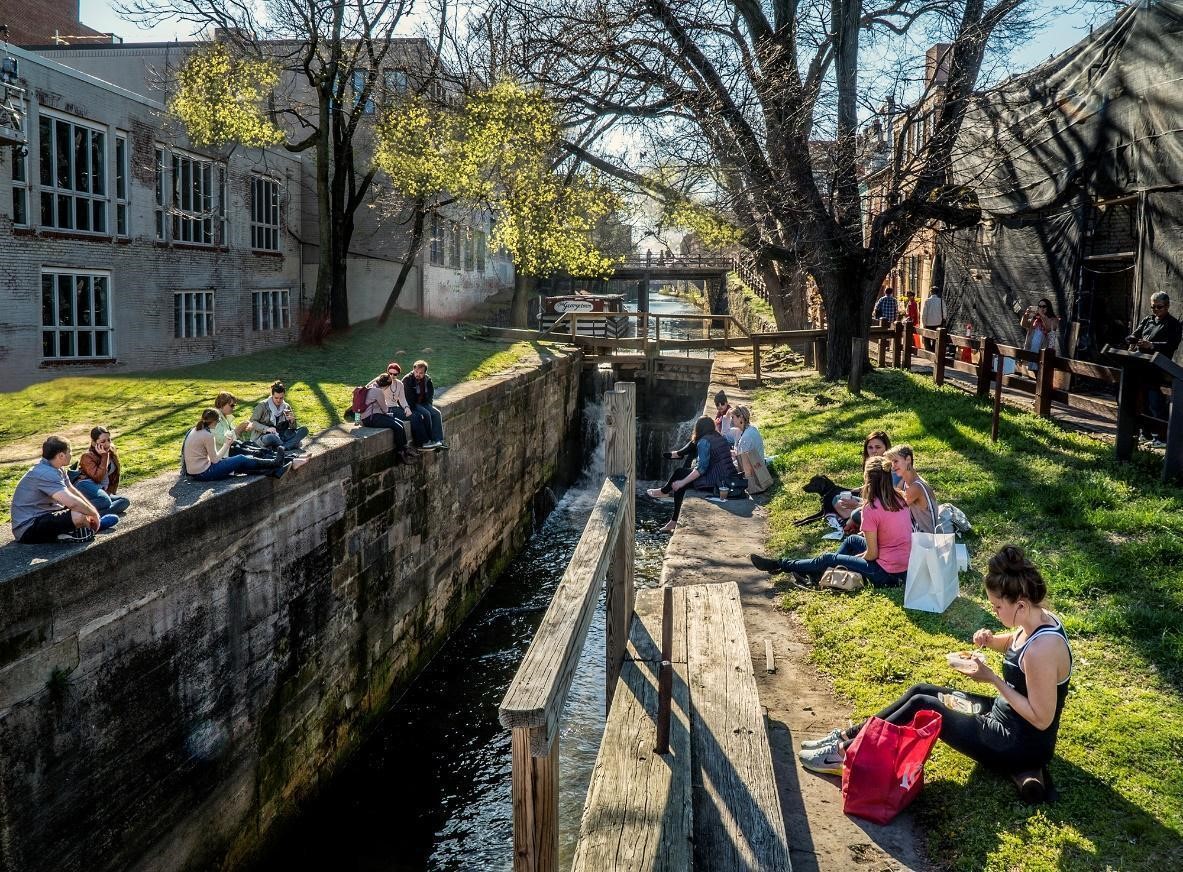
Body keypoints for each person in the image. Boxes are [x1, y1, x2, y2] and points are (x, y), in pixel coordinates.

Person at [795, 545, 1073, 805]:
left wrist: (992, 679)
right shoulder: (1037, 617)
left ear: (1020, 605)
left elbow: (1041, 717)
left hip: (1017, 743)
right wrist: (992, 641)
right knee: (922, 690)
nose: (994, 611)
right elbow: (1015, 641)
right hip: (1003, 716)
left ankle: (845, 754)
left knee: (925, 706)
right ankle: (848, 736)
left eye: (997, 607)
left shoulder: (1042, 650)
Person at [750, 456, 910, 588]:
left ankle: (781, 564)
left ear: (868, 480)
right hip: (904, 567)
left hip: (885, 573)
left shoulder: (871, 509)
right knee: (852, 540)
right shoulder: (901, 498)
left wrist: (856, 559)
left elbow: (872, 554)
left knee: (828, 558)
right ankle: (817, 573)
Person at [647, 416, 739, 534]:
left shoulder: (704, 442)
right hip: (726, 477)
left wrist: (682, 482)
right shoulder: (718, 436)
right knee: (681, 474)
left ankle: (665, 493)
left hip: (716, 482)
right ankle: (673, 519)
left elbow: (701, 469)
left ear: (698, 429)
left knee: (680, 477)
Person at [11, 436, 108, 544]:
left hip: (44, 516)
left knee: (83, 510)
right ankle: (79, 530)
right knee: (78, 515)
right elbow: (72, 503)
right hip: (27, 528)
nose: (71, 454)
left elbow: (72, 491)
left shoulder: (57, 469)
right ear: (61, 455)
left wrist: (92, 511)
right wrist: (94, 514)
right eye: (69, 451)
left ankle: (77, 530)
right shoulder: (46, 473)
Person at [1127, 292, 1183, 444]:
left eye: (1159, 307)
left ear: (1167, 306)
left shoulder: (1173, 324)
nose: (1155, 310)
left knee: (1155, 402)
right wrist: (1133, 340)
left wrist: (1151, 345)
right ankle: (1146, 433)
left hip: (1158, 367)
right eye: (1153, 307)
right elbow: (1134, 334)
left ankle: (1162, 436)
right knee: (1141, 401)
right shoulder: (1148, 320)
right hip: (1142, 365)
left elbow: (1172, 345)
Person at [184, 410, 288, 481]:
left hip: (196, 472)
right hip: (204, 473)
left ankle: (275, 468)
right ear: (215, 421)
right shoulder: (207, 435)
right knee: (241, 459)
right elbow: (215, 460)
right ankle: (275, 463)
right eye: (218, 421)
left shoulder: (194, 430)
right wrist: (226, 444)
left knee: (240, 467)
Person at [360, 374, 418, 464]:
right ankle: (400, 454)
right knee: (397, 427)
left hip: (374, 415)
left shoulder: (372, 386)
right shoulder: (378, 391)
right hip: (371, 418)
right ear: (387, 386)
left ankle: (405, 448)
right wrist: (389, 415)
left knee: (400, 423)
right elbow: (385, 409)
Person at [834, 430, 892, 519]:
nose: (874, 451)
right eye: (870, 447)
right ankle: (852, 522)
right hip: (870, 502)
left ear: (886, 448)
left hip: (885, 509)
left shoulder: (891, 468)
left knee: (856, 515)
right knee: (837, 499)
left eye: (878, 447)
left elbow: (887, 502)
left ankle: (853, 522)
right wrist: (851, 491)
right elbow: (869, 486)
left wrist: (858, 505)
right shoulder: (870, 465)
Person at [76, 426, 131, 515]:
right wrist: (104, 457)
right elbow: (98, 478)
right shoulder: (87, 456)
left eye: (109, 440)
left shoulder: (111, 452)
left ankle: (93, 515)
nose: (107, 444)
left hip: (102, 491)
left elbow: (115, 476)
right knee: (105, 501)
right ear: (94, 443)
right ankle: (78, 510)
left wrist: (111, 493)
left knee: (124, 501)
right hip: (86, 487)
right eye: (103, 441)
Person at [885, 444, 938, 533]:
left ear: (908, 460)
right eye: (892, 463)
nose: (893, 467)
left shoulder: (916, 487)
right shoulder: (907, 481)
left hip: (925, 541)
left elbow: (893, 509)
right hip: (916, 534)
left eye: (896, 461)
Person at [248, 382, 309, 453]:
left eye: (281, 398)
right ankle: (289, 445)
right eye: (276, 398)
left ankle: (282, 447)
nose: (278, 400)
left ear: (284, 396)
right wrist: (267, 429)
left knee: (304, 430)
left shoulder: (286, 406)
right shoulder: (262, 406)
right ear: (272, 395)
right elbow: (252, 422)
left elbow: (293, 428)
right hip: (264, 436)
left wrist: (292, 421)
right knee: (271, 437)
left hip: (281, 436)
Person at [402, 360, 448, 449]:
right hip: (412, 404)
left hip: (424, 402)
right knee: (426, 414)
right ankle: (430, 439)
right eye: (416, 372)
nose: (418, 374)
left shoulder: (427, 379)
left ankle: (439, 440)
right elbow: (408, 398)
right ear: (413, 370)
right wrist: (415, 408)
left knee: (436, 413)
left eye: (421, 373)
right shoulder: (407, 380)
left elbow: (430, 394)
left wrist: (429, 405)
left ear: (425, 372)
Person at [1020, 298, 1060, 375]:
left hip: (1044, 353)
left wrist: (1041, 315)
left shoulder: (1054, 319)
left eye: (1043, 306)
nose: (1041, 308)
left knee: (1041, 376)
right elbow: (1023, 324)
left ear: (1048, 307)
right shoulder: (1035, 319)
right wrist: (1026, 314)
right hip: (1031, 352)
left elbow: (1049, 328)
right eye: (1039, 306)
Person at [731, 405, 767, 489]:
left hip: (754, 474)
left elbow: (743, 463)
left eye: (733, 417)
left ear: (740, 417)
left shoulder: (745, 437)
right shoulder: (752, 428)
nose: (731, 420)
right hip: (759, 466)